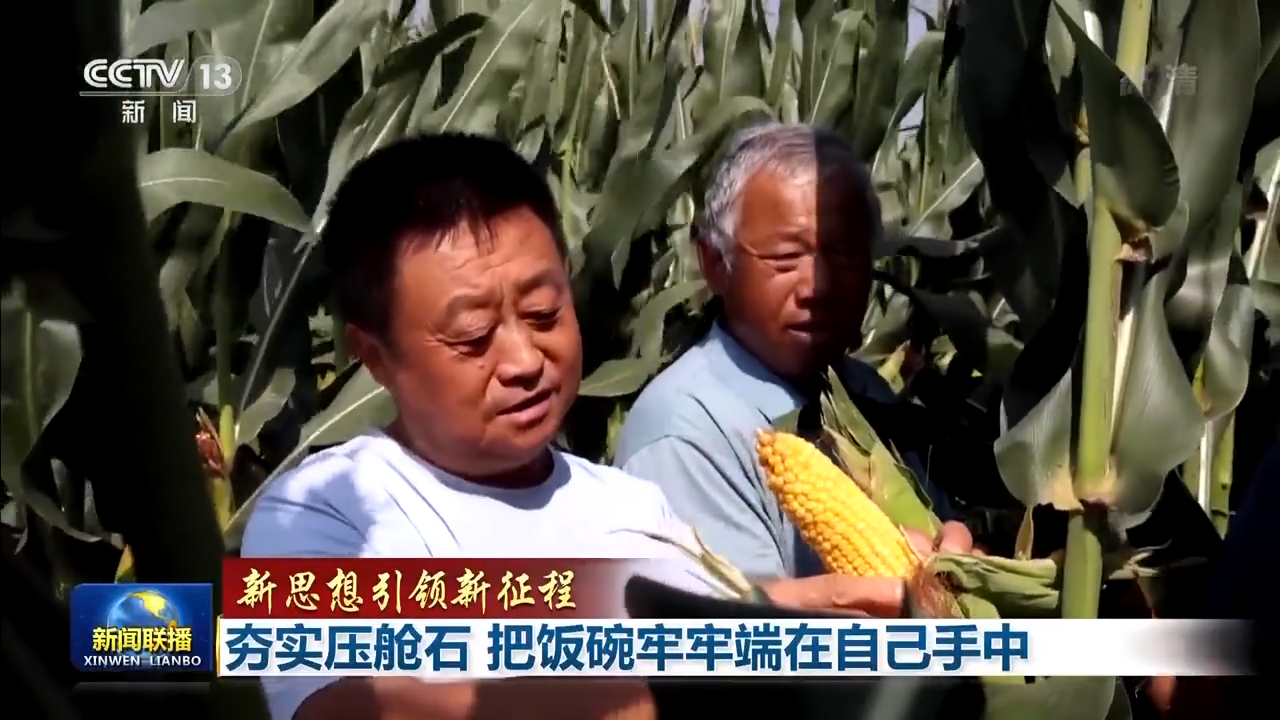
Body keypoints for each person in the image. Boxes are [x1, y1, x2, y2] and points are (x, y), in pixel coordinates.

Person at [239, 133, 974, 720]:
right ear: (375, 355)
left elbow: (718, 627)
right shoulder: (326, 509)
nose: (525, 360)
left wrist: (889, 596)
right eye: (472, 337)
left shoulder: (628, 507)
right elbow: (341, 705)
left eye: (544, 313)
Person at [614, 122, 961, 581]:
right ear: (715, 264)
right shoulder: (687, 436)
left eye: (844, 255)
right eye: (784, 259)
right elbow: (743, 625)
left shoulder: (865, 393)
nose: (818, 287)